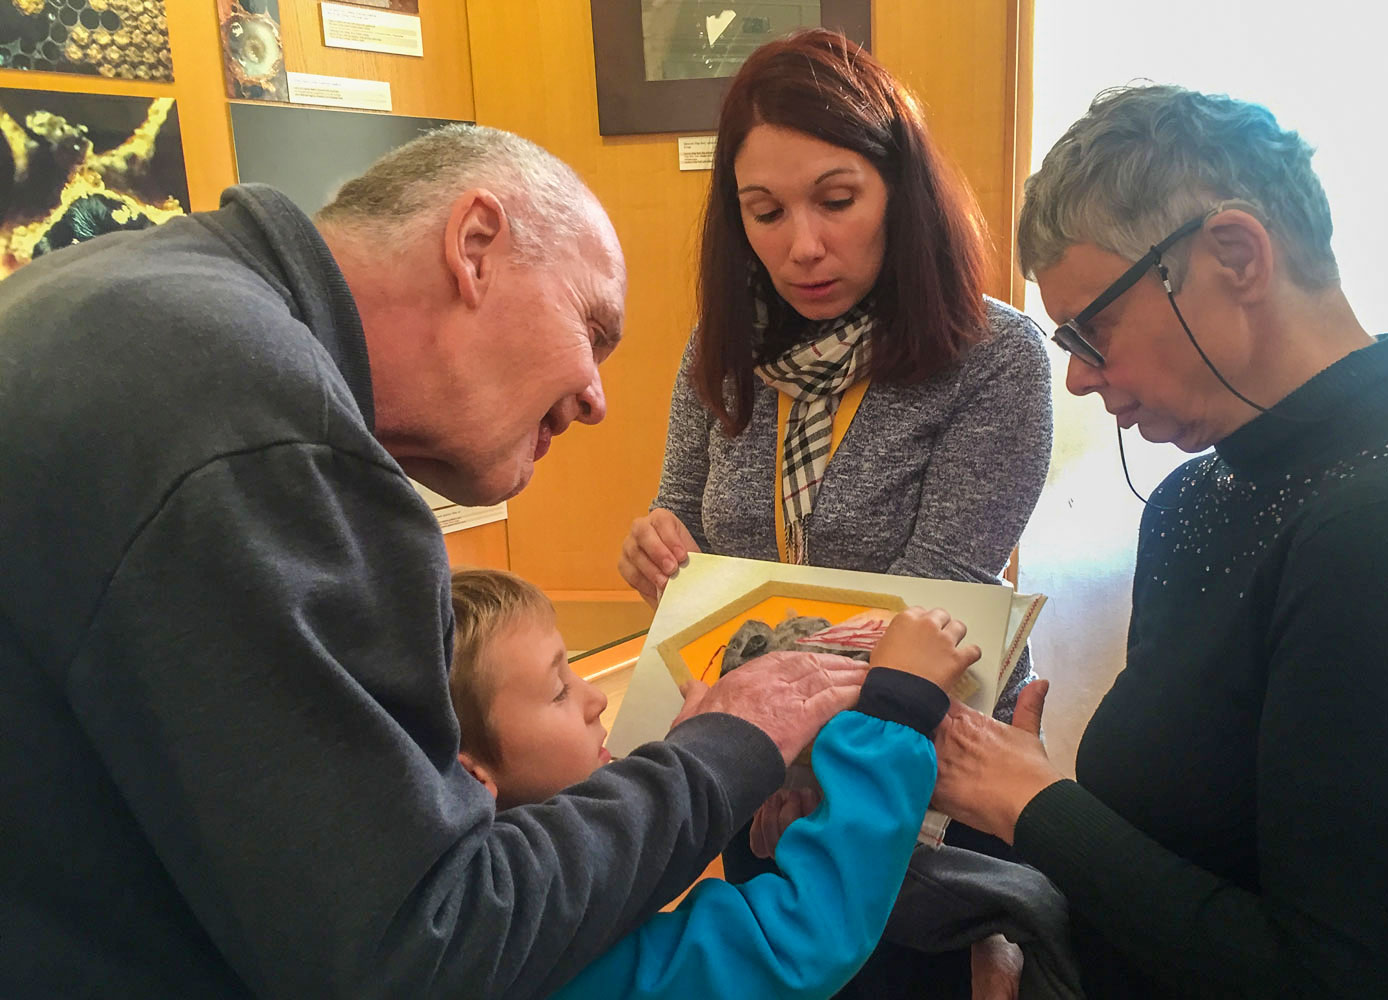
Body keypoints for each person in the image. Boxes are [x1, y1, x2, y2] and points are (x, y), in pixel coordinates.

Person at [0, 125, 879, 998]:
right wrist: (733, 744)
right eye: (592, 328)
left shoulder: (137, 308)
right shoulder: (255, 417)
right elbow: (427, 949)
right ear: (476, 247)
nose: (596, 400)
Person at [926, 84, 1388, 999]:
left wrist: (1035, 807)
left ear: (1235, 255)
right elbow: (1175, 848)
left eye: (1095, 328)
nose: (1077, 377)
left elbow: (1336, 979)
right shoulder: (1201, 489)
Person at [616, 28, 1057, 997]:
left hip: (919, 754)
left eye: (837, 200)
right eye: (764, 212)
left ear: (901, 192)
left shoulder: (995, 356)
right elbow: (684, 520)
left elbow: (939, 600)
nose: (801, 245)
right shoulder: (721, 347)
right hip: (756, 748)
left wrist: (803, 764)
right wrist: (657, 545)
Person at [445, 567, 979, 998]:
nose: (596, 698)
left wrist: (692, 788)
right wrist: (898, 715)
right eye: (559, 690)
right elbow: (796, 945)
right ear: (474, 773)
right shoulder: (519, 950)